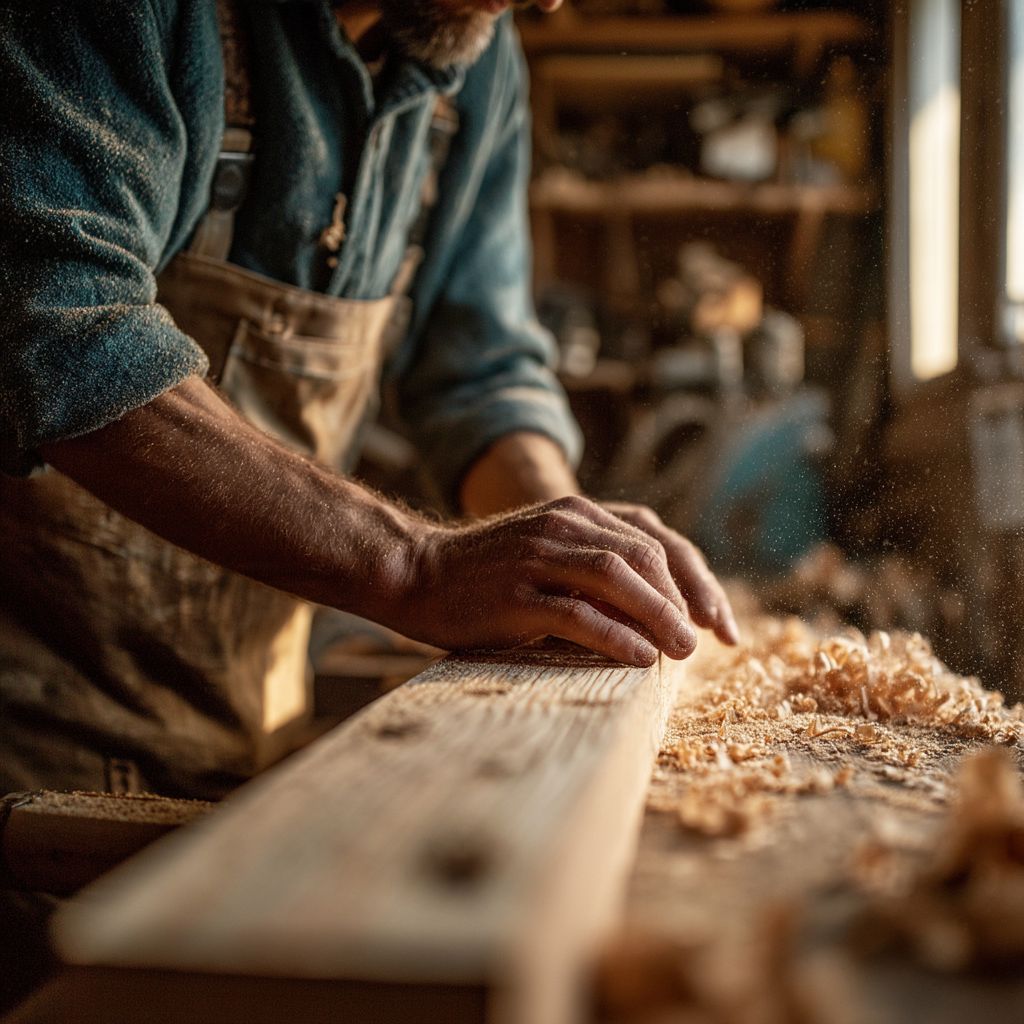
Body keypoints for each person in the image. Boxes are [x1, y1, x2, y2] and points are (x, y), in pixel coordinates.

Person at [0, 0, 737, 1004]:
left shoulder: (471, 47)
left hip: (245, 711)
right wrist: (411, 563)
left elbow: (476, 370)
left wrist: (568, 549)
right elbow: (55, 327)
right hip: (27, 731)